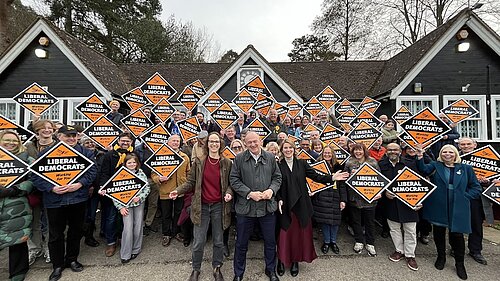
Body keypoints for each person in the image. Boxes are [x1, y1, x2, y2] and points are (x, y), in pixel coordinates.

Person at [31, 125, 97, 281]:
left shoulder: (85, 153)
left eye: (74, 135)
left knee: (76, 231)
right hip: (55, 201)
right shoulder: (46, 154)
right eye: (67, 136)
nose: (71, 138)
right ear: (58, 136)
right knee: (55, 235)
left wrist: (80, 184)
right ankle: (57, 265)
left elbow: (93, 171)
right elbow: (35, 176)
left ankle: (72, 259)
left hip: (78, 198)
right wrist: (51, 188)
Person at [276, 139, 348, 277]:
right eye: (285, 148)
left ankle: (295, 261)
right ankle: (281, 260)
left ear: (294, 150)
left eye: (290, 148)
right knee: (284, 235)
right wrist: (278, 199)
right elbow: (276, 184)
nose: (288, 150)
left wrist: (332, 177)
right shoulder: (278, 165)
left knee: (298, 235)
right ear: (282, 150)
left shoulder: (302, 164)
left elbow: (316, 177)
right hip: (285, 206)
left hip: (302, 205)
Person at [169, 132, 233, 281]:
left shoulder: (227, 163)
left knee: (218, 240)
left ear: (221, 144)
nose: (214, 144)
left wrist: (229, 192)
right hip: (202, 206)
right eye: (211, 141)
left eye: (216, 141)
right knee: (199, 241)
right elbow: (191, 182)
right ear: (206, 144)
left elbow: (231, 183)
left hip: (219, 207)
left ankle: (217, 267)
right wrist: (177, 191)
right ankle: (196, 269)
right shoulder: (198, 162)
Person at [416, 144, 481, 280]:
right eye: (444, 152)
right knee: (439, 233)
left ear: (455, 154)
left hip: (458, 207)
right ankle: (441, 257)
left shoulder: (466, 168)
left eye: (450, 152)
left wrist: (465, 196)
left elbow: (476, 187)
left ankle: (460, 263)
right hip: (439, 205)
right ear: (441, 154)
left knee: (457, 235)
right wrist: (420, 155)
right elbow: (423, 169)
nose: (447, 154)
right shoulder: (436, 165)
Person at [230, 131, 282, 281]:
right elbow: (234, 180)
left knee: (270, 241)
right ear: (245, 143)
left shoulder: (270, 158)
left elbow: (277, 177)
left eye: (255, 141)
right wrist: (249, 193)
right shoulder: (239, 158)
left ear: (260, 141)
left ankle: (270, 270)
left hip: (267, 208)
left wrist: (271, 190)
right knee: (241, 243)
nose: (252, 144)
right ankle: (238, 273)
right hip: (246, 208)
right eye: (249, 142)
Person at [379, 143, 420, 271]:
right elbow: (378, 182)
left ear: (400, 151)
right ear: (386, 152)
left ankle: (410, 255)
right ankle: (399, 250)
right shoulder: (382, 165)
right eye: (390, 149)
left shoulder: (409, 164)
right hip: (390, 203)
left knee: (410, 230)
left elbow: (420, 182)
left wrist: (420, 200)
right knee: (394, 228)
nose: (393, 152)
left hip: (408, 202)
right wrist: (385, 192)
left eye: (395, 149)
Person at [0, 130, 34, 281]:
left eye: (14, 141)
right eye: (7, 140)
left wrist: (17, 189)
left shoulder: (27, 159)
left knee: (18, 240)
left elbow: (35, 178)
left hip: (17, 206)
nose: (11, 143)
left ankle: (18, 273)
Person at [107, 154, 149, 264]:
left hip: (139, 204)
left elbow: (147, 188)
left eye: (134, 162)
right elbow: (114, 192)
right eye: (129, 162)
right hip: (125, 206)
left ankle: (136, 249)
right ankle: (125, 253)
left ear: (137, 163)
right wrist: (120, 207)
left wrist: (140, 197)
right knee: (127, 228)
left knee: (138, 226)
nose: (132, 164)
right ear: (125, 163)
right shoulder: (120, 175)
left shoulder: (140, 173)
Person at [98, 132, 135, 257]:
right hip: (112, 191)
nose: (125, 143)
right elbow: (104, 173)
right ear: (118, 141)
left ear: (131, 143)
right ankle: (111, 242)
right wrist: (103, 187)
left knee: (125, 217)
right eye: (122, 140)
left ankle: (123, 238)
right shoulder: (109, 155)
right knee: (111, 217)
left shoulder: (133, 155)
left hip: (128, 191)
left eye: (127, 141)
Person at [24, 119, 56, 265]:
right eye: (43, 128)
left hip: (52, 190)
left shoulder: (58, 146)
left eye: (50, 128)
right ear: (37, 130)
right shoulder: (28, 147)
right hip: (33, 190)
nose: (47, 130)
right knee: (34, 220)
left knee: (50, 220)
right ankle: (34, 248)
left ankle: (48, 247)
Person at [342, 143, 381, 256]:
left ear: (364, 151)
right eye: (355, 150)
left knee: (370, 222)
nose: (357, 152)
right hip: (354, 197)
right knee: (356, 221)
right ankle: (358, 241)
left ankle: (370, 243)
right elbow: (344, 179)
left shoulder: (372, 162)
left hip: (370, 197)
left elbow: (380, 178)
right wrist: (350, 174)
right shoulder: (349, 162)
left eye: (360, 150)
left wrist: (379, 192)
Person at [152, 134, 191, 247]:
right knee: (166, 214)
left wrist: (185, 184)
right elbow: (153, 174)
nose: (175, 143)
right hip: (166, 191)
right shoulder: (161, 155)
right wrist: (159, 178)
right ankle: (166, 234)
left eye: (177, 141)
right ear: (168, 142)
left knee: (178, 212)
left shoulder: (185, 157)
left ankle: (176, 232)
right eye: (173, 141)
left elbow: (188, 172)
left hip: (180, 190)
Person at [457, 137, 490, 265]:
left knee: (476, 223)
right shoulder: (454, 157)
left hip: (477, 197)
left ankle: (475, 250)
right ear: (459, 146)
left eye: (468, 144)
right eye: (463, 144)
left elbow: (495, 177)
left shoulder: (486, 159)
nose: (465, 146)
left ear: (475, 145)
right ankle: (456, 248)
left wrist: (487, 180)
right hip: (459, 195)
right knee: (457, 222)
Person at [312, 145, 346, 255]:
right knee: (325, 221)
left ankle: (333, 242)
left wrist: (343, 200)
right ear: (322, 153)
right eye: (325, 152)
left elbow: (342, 185)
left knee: (335, 221)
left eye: (329, 153)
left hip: (336, 196)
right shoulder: (317, 165)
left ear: (333, 154)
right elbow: (313, 181)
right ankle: (326, 242)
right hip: (321, 196)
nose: (327, 154)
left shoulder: (338, 166)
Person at [80, 137, 105, 248]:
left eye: (92, 142)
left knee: (92, 214)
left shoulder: (102, 154)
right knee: (84, 215)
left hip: (99, 189)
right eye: (87, 143)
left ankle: (90, 236)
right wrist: (88, 186)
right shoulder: (79, 155)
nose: (90, 144)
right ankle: (84, 234)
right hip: (84, 189)